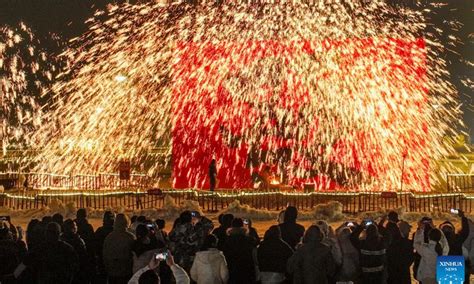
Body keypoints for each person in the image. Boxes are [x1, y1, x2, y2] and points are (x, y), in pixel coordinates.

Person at [222, 218, 258, 284]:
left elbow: (225, 253)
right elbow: (255, 244)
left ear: (232, 226)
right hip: (246, 267)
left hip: (232, 268)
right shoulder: (248, 239)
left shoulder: (228, 239)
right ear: (242, 225)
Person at [103, 214, 136, 284]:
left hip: (112, 270)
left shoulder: (109, 237)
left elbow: (105, 254)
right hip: (126, 270)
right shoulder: (130, 237)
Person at [61, 219, 89, 284]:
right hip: (77, 272)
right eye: (75, 226)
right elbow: (84, 257)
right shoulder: (79, 241)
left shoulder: (60, 240)